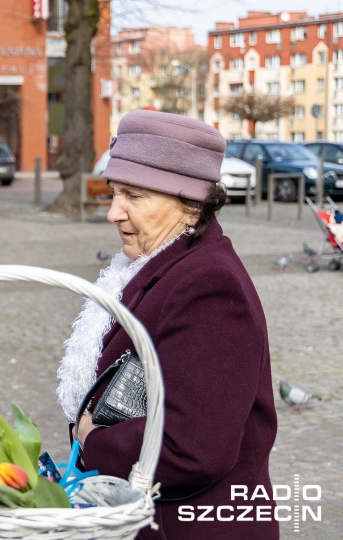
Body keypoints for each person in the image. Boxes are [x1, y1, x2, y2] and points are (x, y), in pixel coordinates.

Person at [57, 110, 278, 539]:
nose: (113, 213)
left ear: (191, 204)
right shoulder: (161, 265)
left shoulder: (208, 286)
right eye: (114, 192)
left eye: (135, 197)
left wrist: (92, 439)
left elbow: (194, 448)